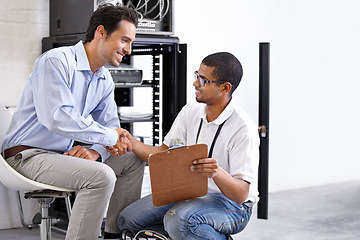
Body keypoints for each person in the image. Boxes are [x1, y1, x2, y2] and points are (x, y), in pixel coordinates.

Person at [0, 4, 145, 240]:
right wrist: (109, 138)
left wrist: (95, 152)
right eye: (124, 40)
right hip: (26, 157)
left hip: (60, 158)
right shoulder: (56, 61)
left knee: (131, 160)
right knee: (101, 177)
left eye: (131, 43)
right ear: (101, 32)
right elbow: (57, 117)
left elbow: (111, 128)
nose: (128, 49)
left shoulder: (104, 80)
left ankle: (114, 236)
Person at [116, 52, 260, 240]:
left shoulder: (243, 127)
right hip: (191, 194)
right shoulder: (191, 111)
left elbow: (241, 194)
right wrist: (131, 141)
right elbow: (162, 153)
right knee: (127, 220)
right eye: (196, 75)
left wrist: (217, 172)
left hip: (233, 205)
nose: (195, 83)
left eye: (203, 80)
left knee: (179, 221)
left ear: (225, 87)